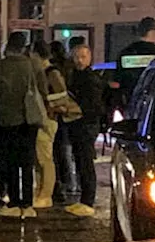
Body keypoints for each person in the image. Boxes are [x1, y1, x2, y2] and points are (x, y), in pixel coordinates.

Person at [0, 32, 45, 219]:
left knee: (11, 162)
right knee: (27, 162)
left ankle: (14, 202)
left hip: (9, 119)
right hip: (30, 119)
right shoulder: (33, 65)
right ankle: (28, 204)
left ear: (7, 47)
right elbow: (41, 90)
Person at [64, 43, 106, 217]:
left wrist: (76, 110)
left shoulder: (90, 79)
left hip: (85, 125)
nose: (79, 60)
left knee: (86, 162)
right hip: (79, 124)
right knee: (81, 162)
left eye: (83, 57)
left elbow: (94, 106)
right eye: (76, 57)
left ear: (89, 57)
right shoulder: (77, 76)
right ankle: (84, 199)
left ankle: (88, 200)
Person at [30, 40, 70, 209]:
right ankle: (40, 191)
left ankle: (46, 194)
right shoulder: (42, 71)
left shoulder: (51, 72)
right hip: (42, 117)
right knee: (39, 158)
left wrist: (47, 104)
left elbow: (62, 96)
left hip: (48, 118)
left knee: (45, 158)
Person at [116, 16, 155, 112]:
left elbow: (118, 81)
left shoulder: (126, 53)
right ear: (152, 32)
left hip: (130, 105)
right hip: (153, 107)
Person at [48, 40, 75, 205]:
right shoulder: (69, 68)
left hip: (56, 113)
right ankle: (68, 183)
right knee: (64, 149)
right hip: (67, 114)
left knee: (57, 150)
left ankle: (60, 184)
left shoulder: (53, 71)